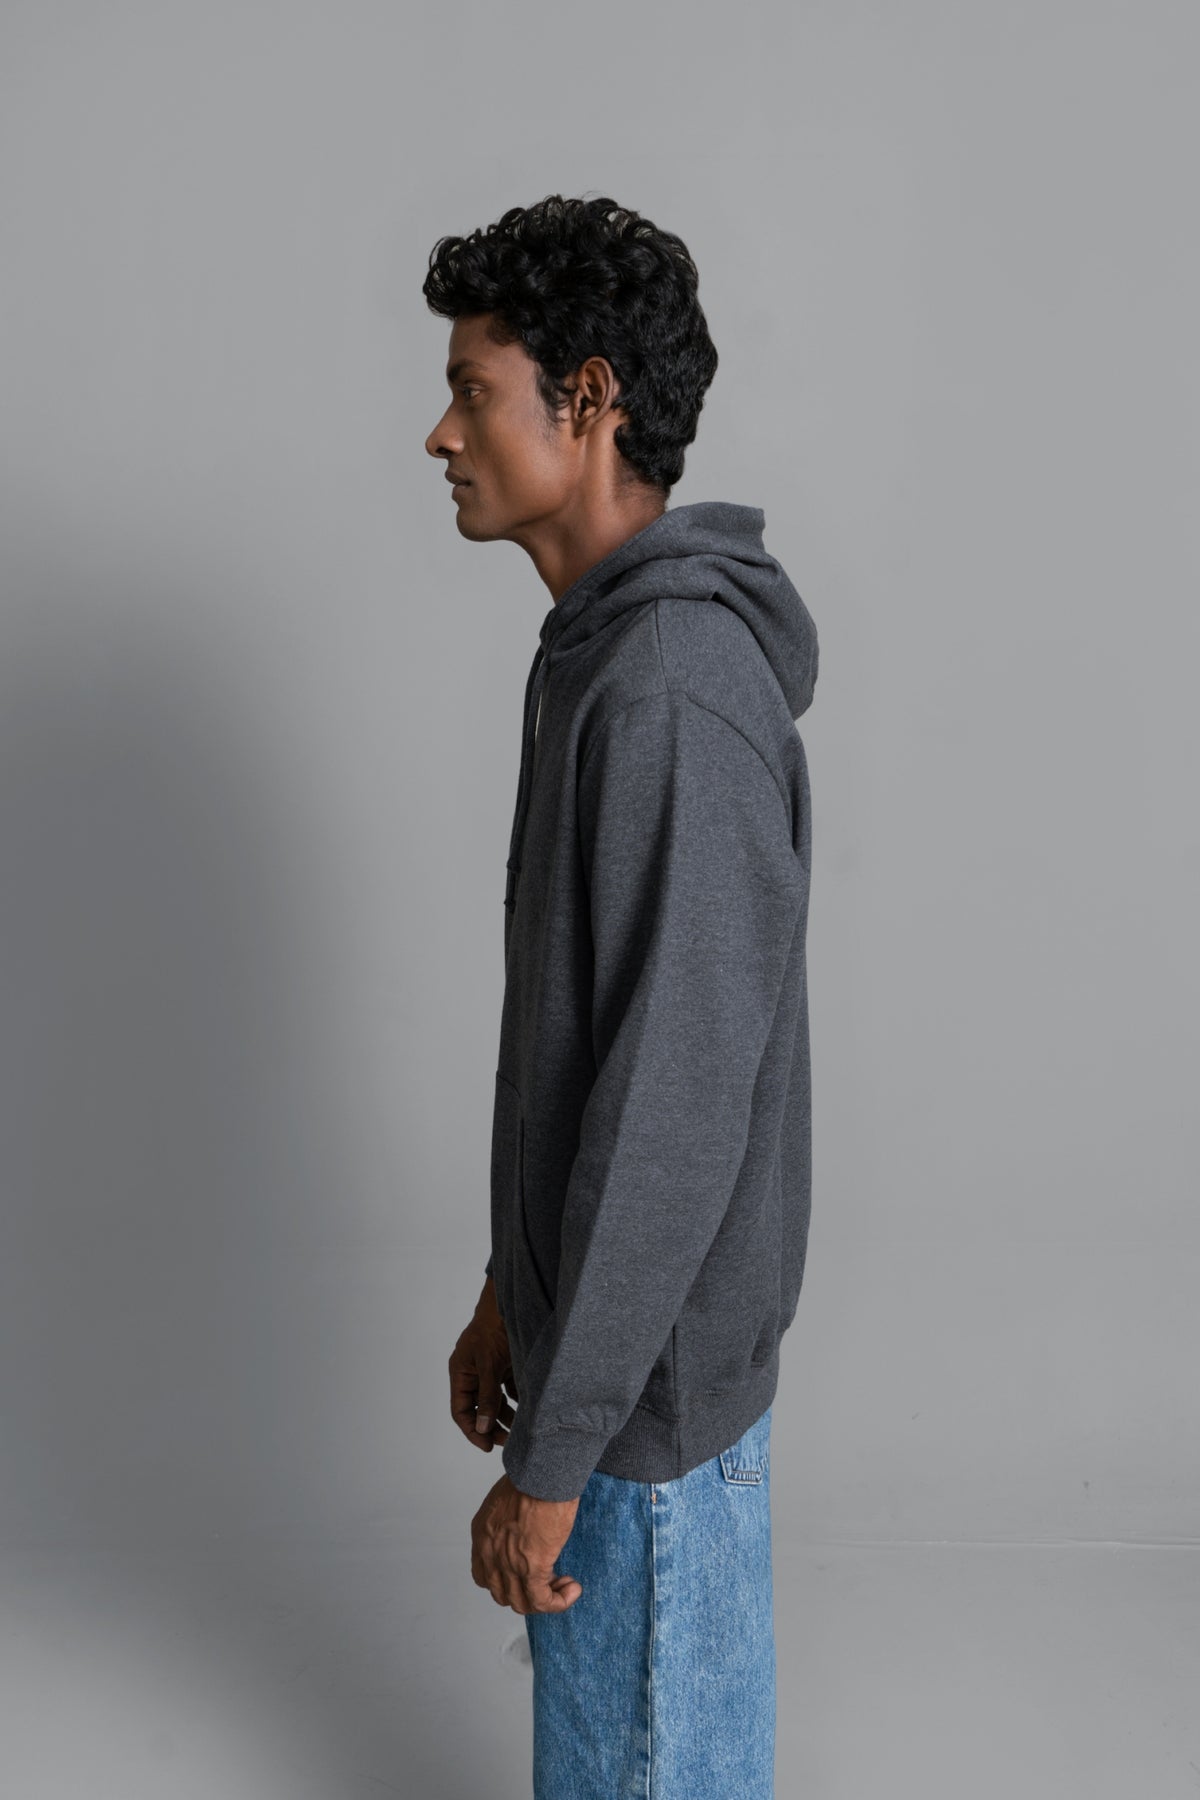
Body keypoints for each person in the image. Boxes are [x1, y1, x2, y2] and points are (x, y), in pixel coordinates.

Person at [424, 193, 818, 1799]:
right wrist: (512, 1295)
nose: (440, 433)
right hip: (613, 1386)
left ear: (586, 402)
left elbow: (669, 1126)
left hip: (644, 1429)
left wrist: (558, 1454)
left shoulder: (663, 692)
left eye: (473, 390)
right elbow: (587, 1049)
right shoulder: (595, 658)